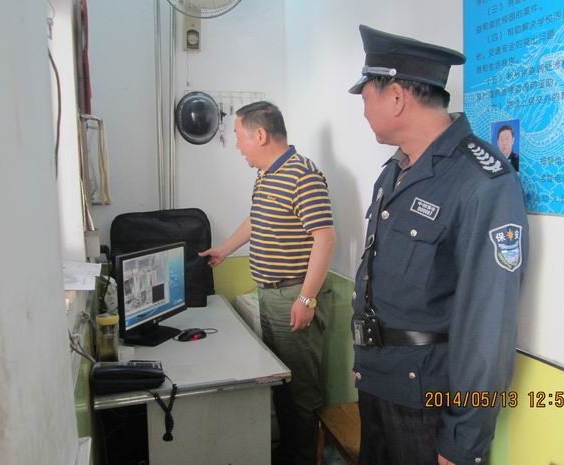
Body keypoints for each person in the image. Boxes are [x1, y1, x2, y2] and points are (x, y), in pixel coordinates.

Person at [348, 25, 529, 465]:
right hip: (378, 383)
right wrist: (365, 363)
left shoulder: (482, 182)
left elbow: (488, 325)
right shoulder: (393, 174)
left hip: (428, 404)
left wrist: (464, 439)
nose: (363, 111)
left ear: (396, 97)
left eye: (366, 96)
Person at [199, 101, 335, 465]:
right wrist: (225, 249)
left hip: (294, 295)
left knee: (300, 392)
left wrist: (306, 300)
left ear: (260, 135)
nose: (238, 146)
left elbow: (324, 239)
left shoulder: (303, 175)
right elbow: (256, 219)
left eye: (239, 137)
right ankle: (289, 452)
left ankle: (302, 458)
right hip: (271, 294)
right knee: (282, 383)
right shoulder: (267, 174)